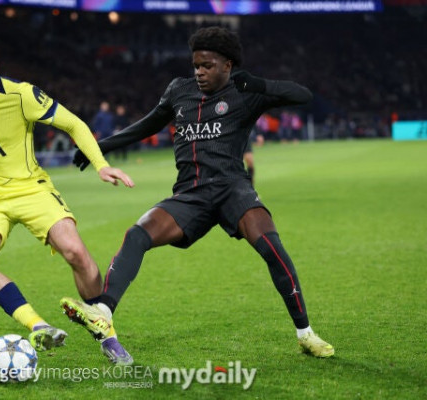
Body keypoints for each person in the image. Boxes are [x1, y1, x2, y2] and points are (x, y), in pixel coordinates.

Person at [61, 26, 334, 362]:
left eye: (207, 65)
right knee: (137, 234)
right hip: (191, 193)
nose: (199, 72)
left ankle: (305, 334)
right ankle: (103, 310)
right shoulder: (180, 90)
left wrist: (259, 84)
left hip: (233, 189)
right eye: (196, 65)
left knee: (272, 248)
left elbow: (303, 96)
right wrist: (99, 147)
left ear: (227, 65)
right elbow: (148, 124)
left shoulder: (244, 91)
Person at [0, 34, 135, 362]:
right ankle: (38, 325)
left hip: (31, 190)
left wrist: (101, 165)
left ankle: (106, 334)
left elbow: (74, 124)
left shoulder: (22, 95)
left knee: (75, 251)